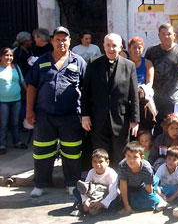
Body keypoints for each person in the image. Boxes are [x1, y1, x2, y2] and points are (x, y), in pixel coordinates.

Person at [26, 26, 86, 197]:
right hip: (44, 115)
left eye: (64, 39)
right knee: (42, 152)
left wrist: (85, 114)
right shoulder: (42, 61)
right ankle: (40, 184)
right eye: (57, 39)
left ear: (70, 41)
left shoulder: (78, 62)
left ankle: (72, 183)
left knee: (72, 152)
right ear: (52, 41)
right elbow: (31, 87)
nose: (61, 42)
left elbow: (86, 89)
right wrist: (29, 112)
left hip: (70, 116)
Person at [81, 33, 140, 166]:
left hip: (121, 118)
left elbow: (134, 95)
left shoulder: (129, 65)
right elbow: (85, 92)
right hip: (98, 119)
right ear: (103, 46)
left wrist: (135, 120)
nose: (111, 49)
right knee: (100, 156)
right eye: (108, 45)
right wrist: (85, 115)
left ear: (120, 47)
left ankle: (119, 183)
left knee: (120, 155)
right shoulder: (93, 63)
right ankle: (101, 183)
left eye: (114, 46)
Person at [145, 23, 178, 137]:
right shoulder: (151, 51)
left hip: (172, 96)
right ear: (159, 36)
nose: (166, 37)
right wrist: (148, 89)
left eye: (169, 34)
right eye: (163, 34)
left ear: (174, 35)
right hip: (155, 95)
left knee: (173, 125)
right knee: (156, 126)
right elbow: (149, 70)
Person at [118, 141, 167, 214]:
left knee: (150, 200)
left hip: (145, 185)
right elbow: (123, 185)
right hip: (130, 187)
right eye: (128, 156)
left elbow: (148, 190)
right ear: (125, 155)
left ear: (142, 157)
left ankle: (159, 198)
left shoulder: (146, 168)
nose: (131, 160)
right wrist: (126, 206)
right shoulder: (122, 165)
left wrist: (149, 196)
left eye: (135, 157)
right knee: (122, 202)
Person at [70, 148, 118, 216]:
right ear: (92, 163)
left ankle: (99, 208)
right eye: (95, 162)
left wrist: (102, 203)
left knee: (114, 202)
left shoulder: (111, 173)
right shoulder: (91, 172)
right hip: (93, 195)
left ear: (107, 162)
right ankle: (82, 205)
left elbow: (113, 192)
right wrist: (85, 201)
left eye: (101, 161)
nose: (98, 164)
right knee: (76, 190)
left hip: (105, 195)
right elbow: (85, 188)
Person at [0, 47, 27, 154]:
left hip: (16, 100)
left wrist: (29, 92)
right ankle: (2, 144)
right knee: (3, 123)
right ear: (1, 56)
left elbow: (22, 81)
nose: (9, 58)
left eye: (11, 55)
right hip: (2, 101)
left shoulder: (16, 67)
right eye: (6, 55)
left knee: (15, 122)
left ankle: (17, 141)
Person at [128, 36, 155, 132]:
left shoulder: (147, 63)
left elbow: (149, 83)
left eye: (139, 47)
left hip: (142, 95)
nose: (137, 50)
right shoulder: (125, 62)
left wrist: (141, 91)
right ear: (129, 48)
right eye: (134, 47)